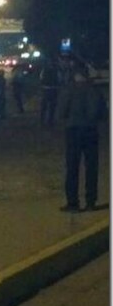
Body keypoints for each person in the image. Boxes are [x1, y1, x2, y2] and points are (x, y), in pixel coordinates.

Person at [59, 66, 106, 213]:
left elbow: (61, 111)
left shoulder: (69, 90)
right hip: (91, 131)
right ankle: (91, 201)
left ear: (75, 76)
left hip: (73, 130)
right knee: (91, 167)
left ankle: (73, 203)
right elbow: (103, 113)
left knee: (72, 167)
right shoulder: (95, 90)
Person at [39, 57, 61, 127]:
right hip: (53, 89)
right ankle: (50, 121)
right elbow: (59, 79)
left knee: (44, 106)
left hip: (45, 89)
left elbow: (41, 78)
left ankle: (42, 120)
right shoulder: (56, 70)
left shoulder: (44, 70)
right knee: (52, 106)